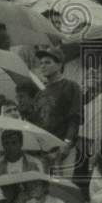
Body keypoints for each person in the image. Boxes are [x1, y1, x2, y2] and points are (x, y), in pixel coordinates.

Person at [32, 45, 82, 177]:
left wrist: (66, 143)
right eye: (41, 63)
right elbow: (37, 123)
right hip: (44, 150)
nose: (43, 66)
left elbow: (75, 119)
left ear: (60, 65)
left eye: (48, 62)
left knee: (63, 189)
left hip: (63, 149)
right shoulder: (40, 94)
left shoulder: (71, 86)